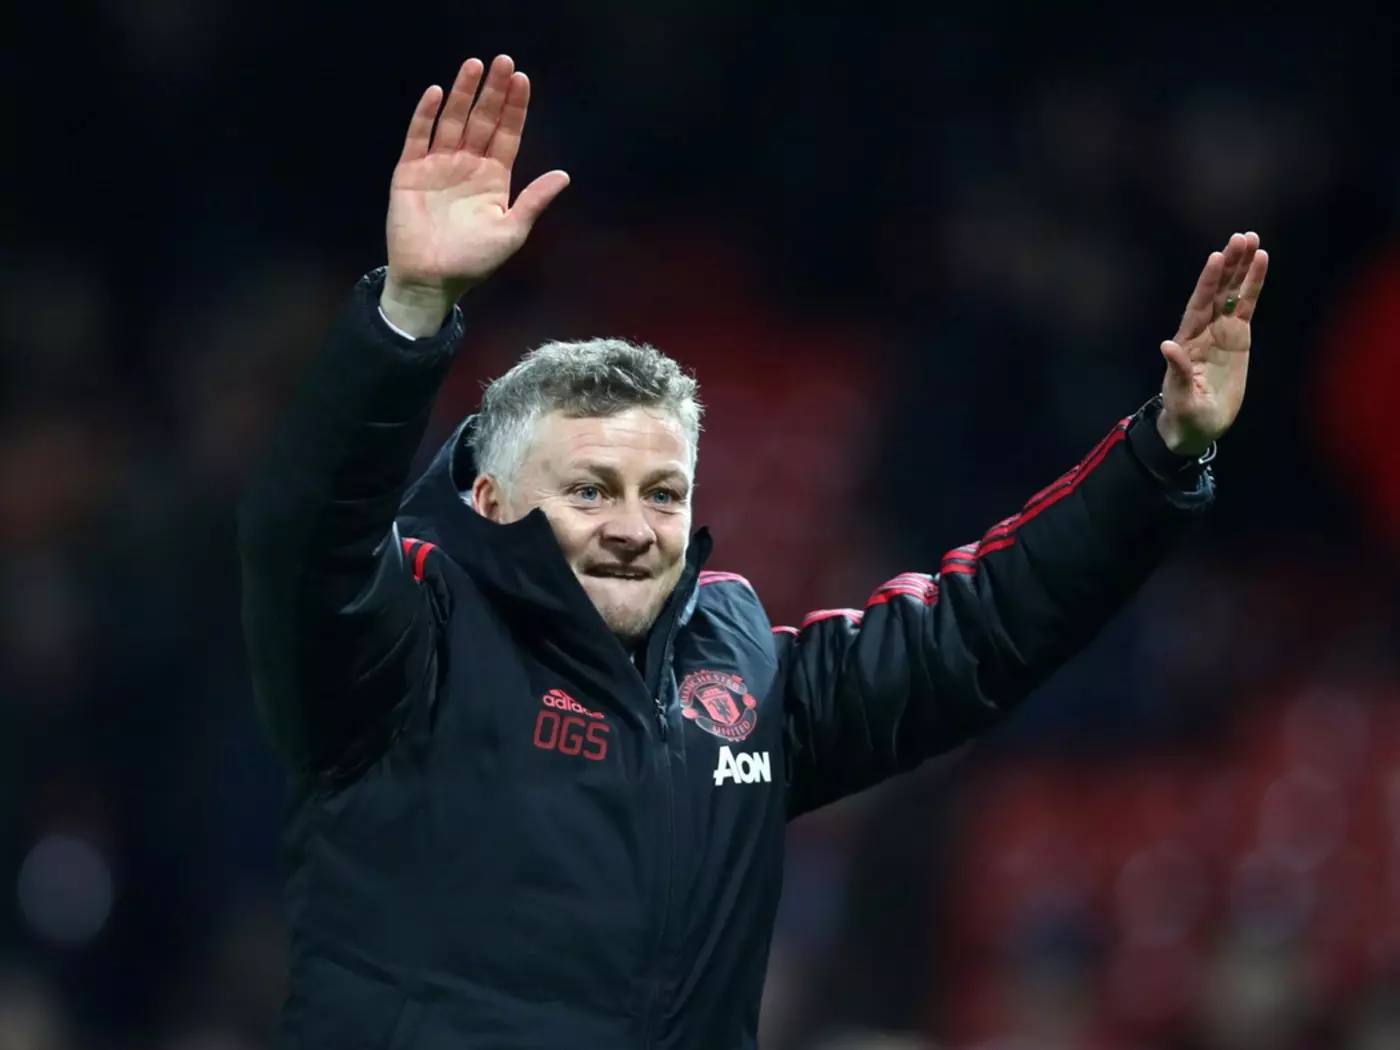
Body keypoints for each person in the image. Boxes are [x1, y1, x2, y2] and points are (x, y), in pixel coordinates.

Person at [237, 55, 1268, 1050]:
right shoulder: (406, 652)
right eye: (589, 491)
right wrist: (409, 311)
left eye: (663, 494)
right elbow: (307, 541)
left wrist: (1161, 455)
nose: (633, 526)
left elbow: (979, 630)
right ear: (493, 500)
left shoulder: (740, 675)